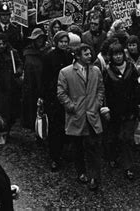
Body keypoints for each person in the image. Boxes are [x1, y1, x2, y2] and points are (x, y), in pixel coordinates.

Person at [57, 43, 105, 189]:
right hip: (76, 116)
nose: (90, 56)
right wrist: (71, 106)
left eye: (90, 53)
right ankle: (81, 172)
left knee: (93, 147)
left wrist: (97, 104)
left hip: (92, 115)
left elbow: (100, 89)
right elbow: (61, 93)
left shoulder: (96, 71)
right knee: (77, 147)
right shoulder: (65, 72)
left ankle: (94, 177)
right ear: (77, 56)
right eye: (86, 54)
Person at [103, 42, 140, 179]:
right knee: (114, 136)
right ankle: (113, 157)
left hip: (129, 109)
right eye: (115, 54)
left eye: (120, 53)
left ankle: (128, 166)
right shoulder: (107, 71)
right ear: (111, 56)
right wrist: (106, 109)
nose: (118, 57)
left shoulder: (131, 68)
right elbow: (104, 91)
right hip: (114, 110)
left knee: (127, 137)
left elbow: (138, 87)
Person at [42, 31, 73, 171]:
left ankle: (64, 152)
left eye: (66, 41)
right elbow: (45, 77)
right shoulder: (49, 56)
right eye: (61, 41)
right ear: (56, 42)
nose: (64, 44)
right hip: (53, 96)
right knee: (55, 128)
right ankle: (54, 157)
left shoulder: (69, 56)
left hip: (67, 94)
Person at [0, 33, 23, 131]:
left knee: (11, 110)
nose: (1, 46)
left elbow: (19, 63)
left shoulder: (13, 52)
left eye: (3, 43)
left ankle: (8, 128)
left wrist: (19, 70)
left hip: (11, 84)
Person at [21, 28, 46, 130]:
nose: (40, 41)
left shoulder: (45, 52)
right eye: (37, 39)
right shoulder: (28, 53)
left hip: (42, 82)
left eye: (41, 39)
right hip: (30, 83)